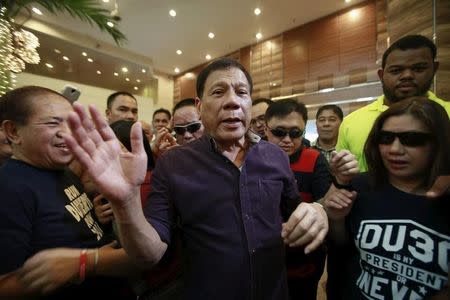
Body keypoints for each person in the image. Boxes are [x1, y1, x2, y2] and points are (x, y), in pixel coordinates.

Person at [63, 58, 330, 300]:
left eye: (241, 92)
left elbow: (295, 215)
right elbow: (150, 253)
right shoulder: (173, 164)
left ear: (249, 103)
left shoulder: (275, 156)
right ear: (200, 108)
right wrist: (126, 201)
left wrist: (317, 210)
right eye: (218, 91)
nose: (232, 101)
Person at [0, 86, 138, 299]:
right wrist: (88, 262)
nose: (68, 132)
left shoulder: (62, 171)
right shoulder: (9, 189)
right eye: (53, 123)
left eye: (72, 123)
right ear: (13, 132)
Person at [325, 97, 450, 299]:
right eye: (386, 138)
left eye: (412, 139)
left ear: (438, 142)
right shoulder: (360, 186)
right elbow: (344, 249)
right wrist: (337, 219)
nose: (394, 149)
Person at [337, 35, 449, 172]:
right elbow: (341, 178)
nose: (407, 75)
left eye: (418, 68)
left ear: (434, 69)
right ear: (381, 75)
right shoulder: (351, 122)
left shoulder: (446, 113)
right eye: (396, 70)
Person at [265, 99, 333, 300]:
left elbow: (324, 200)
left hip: (304, 258)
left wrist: (319, 208)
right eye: (279, 132)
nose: (287, 139)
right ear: (266, 130)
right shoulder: (253, 158)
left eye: (295, 133)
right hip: (264, 257)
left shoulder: (314, 158)